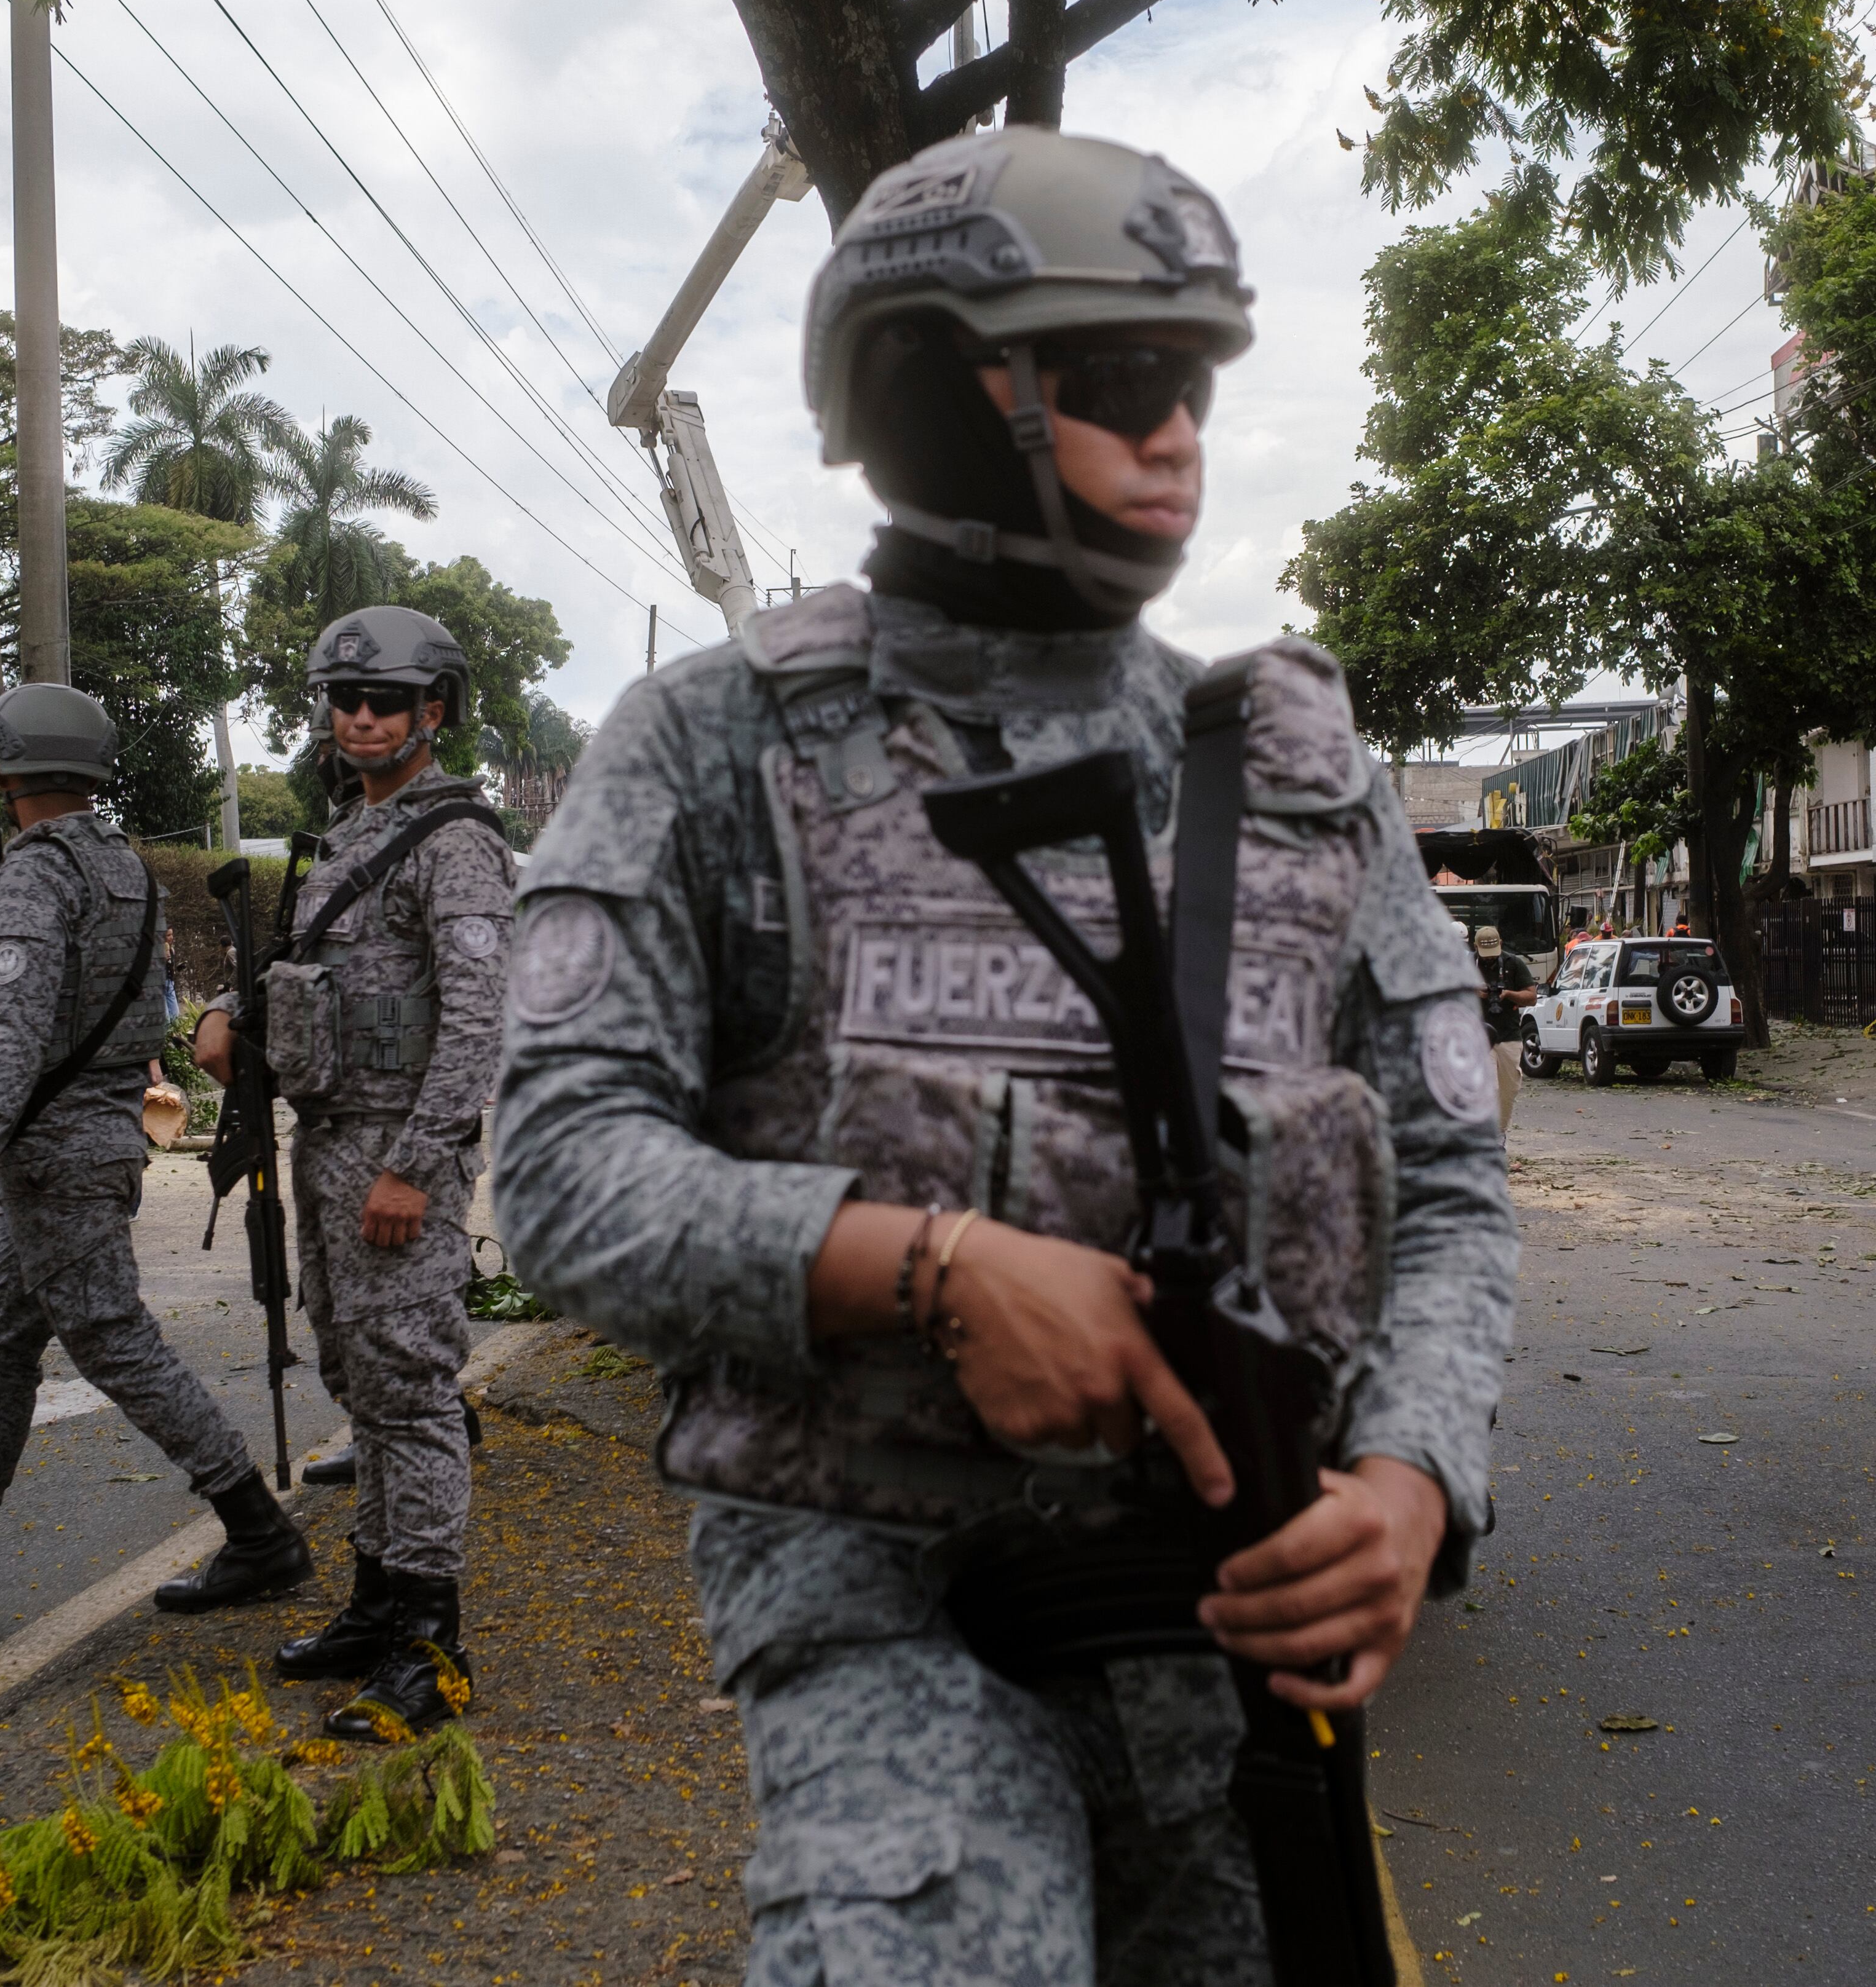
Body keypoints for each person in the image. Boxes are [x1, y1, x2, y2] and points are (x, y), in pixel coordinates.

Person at [494, 127, 1517, 1983]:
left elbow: (1448, 1185)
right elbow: (559, 1167)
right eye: (1120, 381)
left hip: (1238, 1623)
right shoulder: (716, 745)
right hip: (892, 1606)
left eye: (1192, 383)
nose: (1179, 435)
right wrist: (932, 1268)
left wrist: (1411, 1479)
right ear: (929, 387)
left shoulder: (1299, 784)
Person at [0, 683, 309, 1646]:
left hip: (54, 1158)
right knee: (1, 1344)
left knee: (111, 1339)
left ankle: (258, 1528)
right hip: (88, 1140)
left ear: (10, 769)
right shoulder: (127, 869)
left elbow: (11, 1044)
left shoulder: (33, 876)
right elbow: (152, 1014)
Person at [194, 606, 513, 1740]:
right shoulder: (341, 835)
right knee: (359, 1377)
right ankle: (377, 1602)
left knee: (414, 1394)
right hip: (325, 1138)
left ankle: (433, 1644)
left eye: (386, 700)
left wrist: (418, 1167)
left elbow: (479, 1020)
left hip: (395, 1157)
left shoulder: (456, 839)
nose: (363, 716)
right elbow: (296, 961)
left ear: (434, 711)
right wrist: (232, 1009)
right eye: (346, 698)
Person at [1471, 922, 1533, 1136]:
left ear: (1501, 944)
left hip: (1509, 1035)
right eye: (1484, 953)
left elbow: (1532, 997)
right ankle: (1484, 1134)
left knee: (1509, 1090)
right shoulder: (1466, 964)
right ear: (1475, 946)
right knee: (1489, 1088)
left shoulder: (1513, 963)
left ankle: (1500, 1134)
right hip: (1478, 1037)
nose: (1489, 958)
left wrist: (1508, 994)